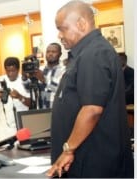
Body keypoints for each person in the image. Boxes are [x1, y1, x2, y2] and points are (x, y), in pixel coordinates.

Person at [47, 1, 133, 178]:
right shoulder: (86, 53)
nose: (59, 35)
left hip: (93, 163)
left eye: (62, 28)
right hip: (87, 160)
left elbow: (92, 109)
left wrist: (68, 149)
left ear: (81, 24)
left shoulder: (94, 54)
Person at [0, 57, 30, 141]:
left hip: (22, 125)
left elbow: (31, 104)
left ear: (18, 69)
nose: (10, 74)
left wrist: (19, 97)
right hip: (4, 128)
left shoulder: (25, 81)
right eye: (8, 71)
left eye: (13, 71)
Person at [36, 43, 65, 109]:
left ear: (60, 54)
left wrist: (43, 79)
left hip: (57, 109)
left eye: (54, 52)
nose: (50, 54)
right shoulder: (40, 69)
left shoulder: (64, 70)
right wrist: (25, 78)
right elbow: (28, 90)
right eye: (48, 52)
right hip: (40, 110)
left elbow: (56, 90)